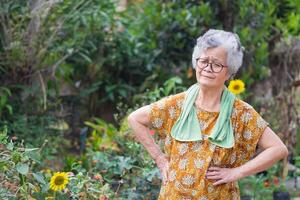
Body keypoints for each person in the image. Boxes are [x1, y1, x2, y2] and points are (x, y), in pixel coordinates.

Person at [127, 29, 288, 199]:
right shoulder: (176, 105)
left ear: (229, 73)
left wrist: (236, 173)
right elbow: (135, 119)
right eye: (203, 61)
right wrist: (159, 158)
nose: (207, 68)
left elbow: (278, 149)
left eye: (217, 64)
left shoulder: (241, 114)